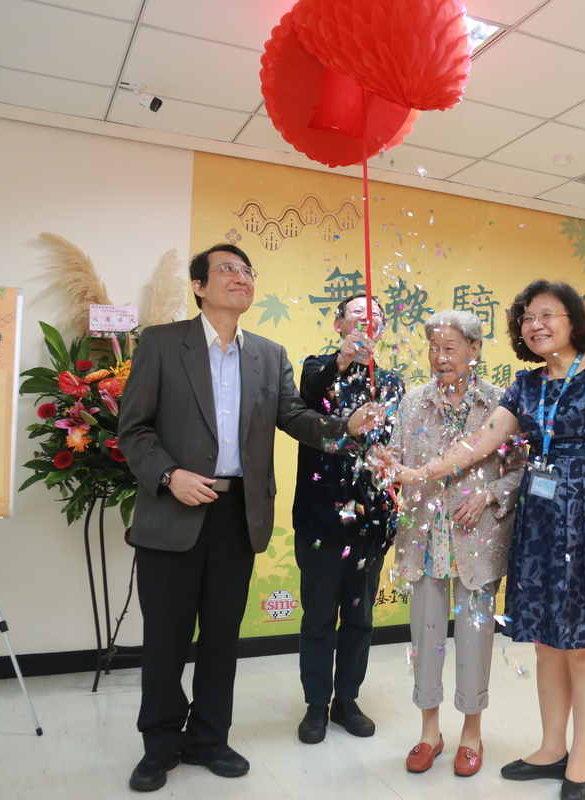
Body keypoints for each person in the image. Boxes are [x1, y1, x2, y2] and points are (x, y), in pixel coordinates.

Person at [117, 243, 380, 793]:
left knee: (220, 636)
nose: (240, 278)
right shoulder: (163, 345)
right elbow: (134, 430)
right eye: (227, 270)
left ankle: (209, 738)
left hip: (239, 513)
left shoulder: (267, 353)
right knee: (165, 638)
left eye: (246, 271)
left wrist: (344, 429)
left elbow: (295, 416)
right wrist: (170, 476)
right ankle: (159, 745)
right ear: (199, 286)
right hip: (174, 508)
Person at [392, 280, 585, 800]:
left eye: (547, 315)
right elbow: (480, 442)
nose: (536, 325)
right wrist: (422, 471)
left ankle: (581, 759)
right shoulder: (525, 386)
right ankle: (551, 747)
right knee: (546, 644)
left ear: (573, 321)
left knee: (583, 646)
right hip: (541, 517)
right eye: (528, 317)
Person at [391, 309, 522, 777]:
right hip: (424, 538)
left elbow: (519, 471)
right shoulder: (411, 402)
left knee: (474, 638)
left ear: (474, 350)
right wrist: (381, 463)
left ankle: (471, 732)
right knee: (425, 638)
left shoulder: (500, 404)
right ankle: (430, 732)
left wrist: (489, 493)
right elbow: (394, 463)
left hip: (476, 539)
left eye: (449, 348)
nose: (439, 358)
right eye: (433, 348)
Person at [293, 293, 404, 744]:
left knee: (359, 618)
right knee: (319, 615)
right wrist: (340, 362)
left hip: (371, 519)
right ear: (339, 324)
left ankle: (347, 700)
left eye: (376, 316)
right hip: (321, 516)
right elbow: (308, 401)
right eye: (358, 314)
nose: (367, 321)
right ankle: (316, 704)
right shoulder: (315, 368)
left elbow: (391, 440)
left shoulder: (392, 382)